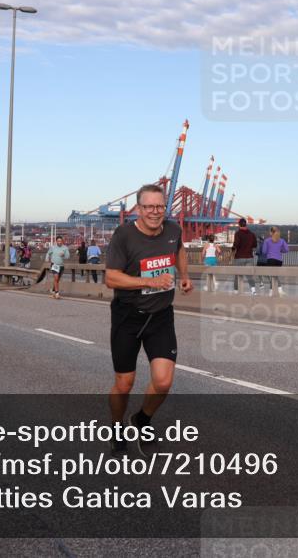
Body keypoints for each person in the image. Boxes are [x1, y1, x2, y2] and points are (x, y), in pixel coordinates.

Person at [105, 184, 192, 456]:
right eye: (148, 207)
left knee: (163, 382)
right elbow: (111, 278)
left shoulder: (173, 230)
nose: (155, 212)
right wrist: (150, 281)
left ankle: (142, 419)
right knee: (124, 383)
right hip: (127, 316)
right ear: (138, 209)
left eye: (159, 206)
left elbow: (179, 250)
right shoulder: (124, 235)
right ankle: (116, 426)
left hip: (161, 316)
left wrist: (184, 275)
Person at [231, 218, 259, 294]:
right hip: (249, 257)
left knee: (237, 274)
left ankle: (236, 290)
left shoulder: (238, 233)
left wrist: (233, 248)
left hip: (239, 257)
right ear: (246, 224)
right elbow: (255, 245)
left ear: (239, 225)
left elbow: (236, 244)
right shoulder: (252, 234)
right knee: (249, 275)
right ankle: (253, 290)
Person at [261, 227, 290, 295]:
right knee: (275, 275)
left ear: (271, 232)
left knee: (272, 276)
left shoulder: (267, 240)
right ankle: (279, 290)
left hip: (270, 260)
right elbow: (286, 250)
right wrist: (280, 250)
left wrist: (269, 252)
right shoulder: (282, 240)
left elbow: (264, 251)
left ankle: (272, 291)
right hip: (279, 261)